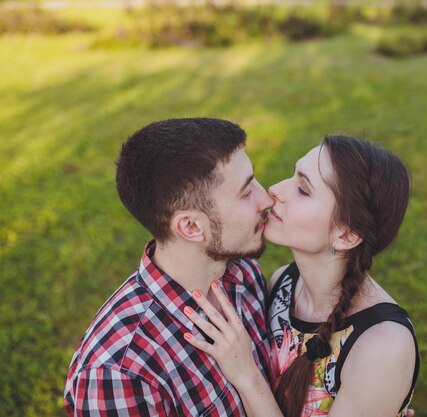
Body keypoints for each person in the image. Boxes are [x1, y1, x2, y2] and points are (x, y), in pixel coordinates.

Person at [185, 135, 420, 417]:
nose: (274, 190)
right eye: (293, 176)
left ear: (346, 235)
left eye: (303, 190)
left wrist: (246, 375)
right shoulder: (282, 283)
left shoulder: (383, 345)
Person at [64, 118, 274, 416]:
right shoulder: (120, 372)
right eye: (246, 192)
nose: (266, 199)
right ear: (190, 227)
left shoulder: (244, 273)